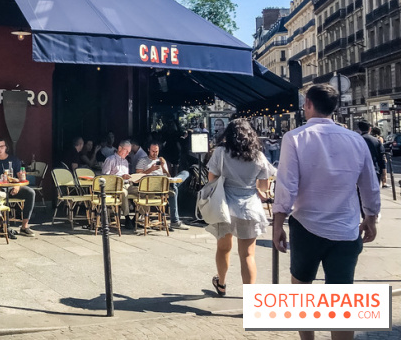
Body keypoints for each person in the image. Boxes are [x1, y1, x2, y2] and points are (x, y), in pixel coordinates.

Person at [273, 84, 380, 340]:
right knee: (342, 300)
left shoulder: (295, 137)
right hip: (346, 227)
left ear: (308, 103)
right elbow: (370, 184)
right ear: (335, 108)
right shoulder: (355, 139)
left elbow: (286, 185)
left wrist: (278, 223)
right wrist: (370, 218)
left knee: (301, 291)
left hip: (306, 225)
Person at [206, 119, 276, 297]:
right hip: (249, 208)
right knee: (247, 255)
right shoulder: (258, 156)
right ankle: (250, 300)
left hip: (225, 207)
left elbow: (211, 180)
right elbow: (263, 187)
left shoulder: (220, 153)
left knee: (223, 248)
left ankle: (221, 283)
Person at [135, 142, 190, 230]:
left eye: (156, 151)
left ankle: (173, 184)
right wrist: (150, 170)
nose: (155, 153)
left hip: (163, 185)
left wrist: (164, 167)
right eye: (153, 151)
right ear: (148, 150)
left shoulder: (161, 160)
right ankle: (175, 221)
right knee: (174, 189)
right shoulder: (143, 161)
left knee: (185, 173)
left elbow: (168, 176)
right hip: (150, 187)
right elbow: (137, 177)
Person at [0, 137, 36, 237]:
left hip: (13, 188)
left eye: (2, 147)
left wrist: (17, 186)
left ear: (6, 147)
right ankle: (1, 225)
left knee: (31, 192)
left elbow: (20, 176)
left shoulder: (14, 160)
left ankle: (24, 226)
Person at [101, 140, 134, 219]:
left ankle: (139, 215)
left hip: (126, 184)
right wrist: (121, 177)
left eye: (129, 152)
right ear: (120, 148)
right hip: (114, 186)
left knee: (141, 190)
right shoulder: (110, 160)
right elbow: (105, 177)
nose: (127, 154)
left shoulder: (126, 162)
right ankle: (127, 217)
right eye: (126, 151)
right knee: (124, 193)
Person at [357, 121, 386, 188]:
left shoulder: (357, 140)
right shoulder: (376, 141)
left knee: (360, 194)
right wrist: (383, 172)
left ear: (359, 129)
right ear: (370, 129)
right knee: (374, 194)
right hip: (374, 170)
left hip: (360, 172)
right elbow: (382, 158)